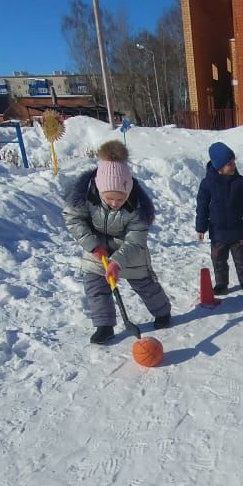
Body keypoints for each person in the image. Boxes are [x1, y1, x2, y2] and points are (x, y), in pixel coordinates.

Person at [63, 140, 172, 344]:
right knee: (95, 285)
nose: (115, 203)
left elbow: (136, 239)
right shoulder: (86, 195)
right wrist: (93, 246)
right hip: (97, 249)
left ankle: (162, 312)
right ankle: (104, 325)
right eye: (109, 198)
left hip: (128, 251)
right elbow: (73, 218)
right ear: (100, 189)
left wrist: (117, 261)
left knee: (145, 285)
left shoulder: (137, 207)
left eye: (120, 199)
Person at [195, 141, 243, 299]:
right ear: (219, 167)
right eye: (229, 164)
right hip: (218, 233)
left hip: (237, 231)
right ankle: (222, 284)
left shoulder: (241, 182)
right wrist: (201, 227)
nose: (233, 166)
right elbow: (202, 206)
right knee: (218, 260)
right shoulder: (207, 184)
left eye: (233, 162)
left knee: (242, 261)